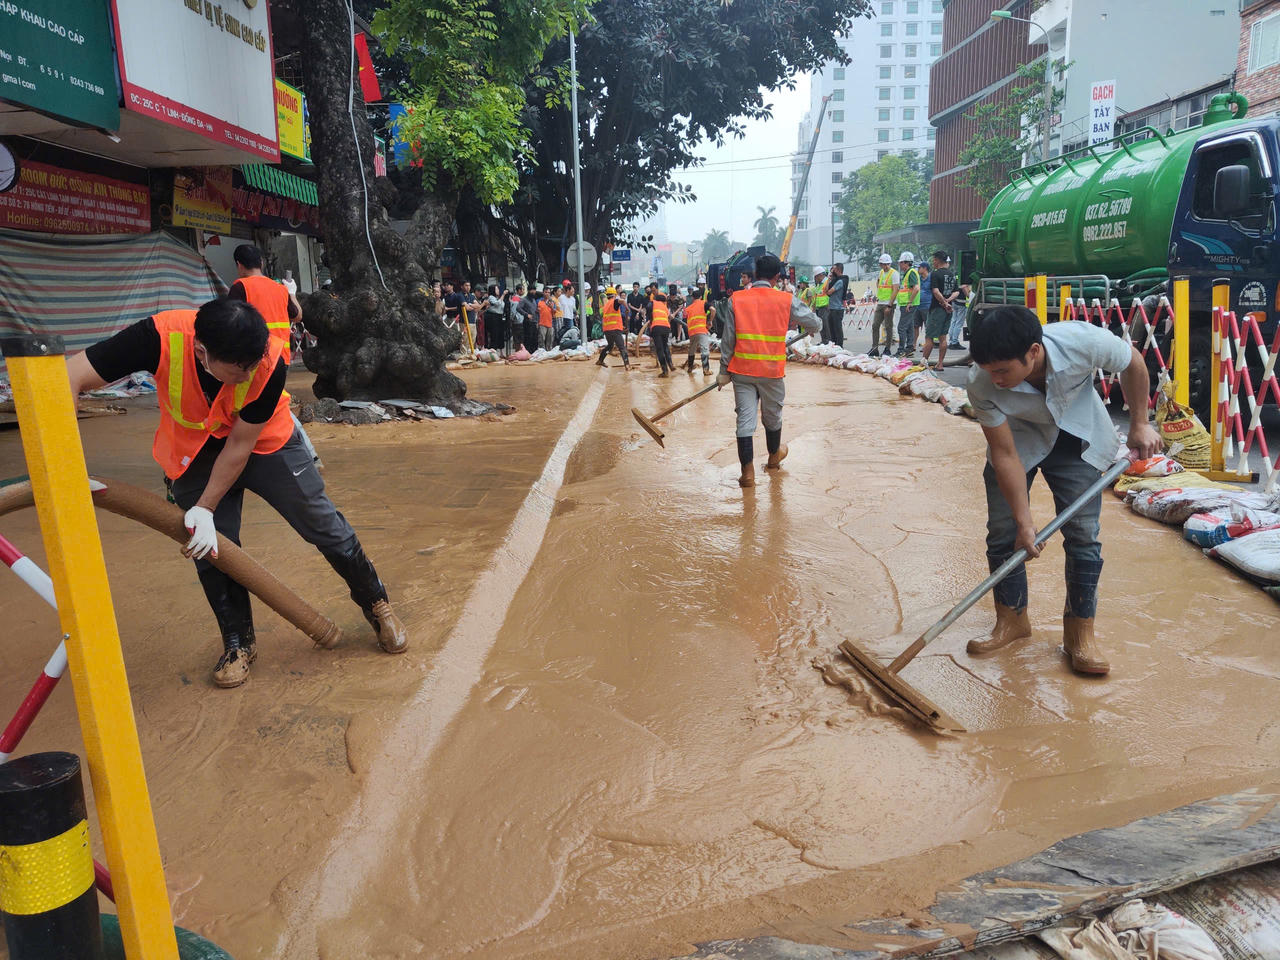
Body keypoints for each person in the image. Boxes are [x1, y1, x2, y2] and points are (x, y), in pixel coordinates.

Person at [65, 298, 409, 687]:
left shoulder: (269, 360)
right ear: (202, 352)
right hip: (195, 449)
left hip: (265, 442)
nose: (249, 374)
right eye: (239, 369)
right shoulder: (157, 337)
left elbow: (240, 446)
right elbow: (69, 376)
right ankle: (238, 643)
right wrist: (67, 464)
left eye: (253, 364)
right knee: (211, 546)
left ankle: (377, 605)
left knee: (322, 522)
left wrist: (205, 506)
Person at [967, 306, 1161, 676]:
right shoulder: (981, 381)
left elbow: (1133, 362)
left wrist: (1140, 423)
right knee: (1004, 532)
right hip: (1018, 441)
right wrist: (1025, 523)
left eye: (1003, 370)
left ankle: (1079, 634)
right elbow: (1005, 454)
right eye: (989, 371)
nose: (995, 379)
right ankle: (1012, 620)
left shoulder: (1082, 342)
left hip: (1076, 436)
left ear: (1033, 352)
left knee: (1083, 534)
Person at [716, 254, 821, 488]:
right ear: (776, 277)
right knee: (772, 418)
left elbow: (728, 339)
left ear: (754, 274)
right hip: (771, 372)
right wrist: (809, 327)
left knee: (745, 421)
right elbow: (815, 323)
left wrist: (724, 370)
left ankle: (747, 474)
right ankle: (774, 458)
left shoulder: (737, 300)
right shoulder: (786, 299)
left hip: (742, 371)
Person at [227, 244, 323, 470]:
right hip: (281, 358)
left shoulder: (240, 287)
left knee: (272, 405)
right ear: (261, 263)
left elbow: (229, 321)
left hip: (256, 358)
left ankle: (308, 454)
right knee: (268, 403)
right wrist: (291, 292)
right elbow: (297, 315)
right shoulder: (279, 288)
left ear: (239, 265)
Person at [922, 250, 958, 371]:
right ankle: (940, 364)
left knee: (929, 337)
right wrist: (948, 301)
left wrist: (943, 303)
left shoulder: (935, 274)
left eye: (934, 259)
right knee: (943, 338)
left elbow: (935, 291)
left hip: (937, 309)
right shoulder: (952, 274)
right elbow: (956, 292)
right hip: (948, 310)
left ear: (938, 260)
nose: (933, 262)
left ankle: (923, 363)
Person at [681, 286, 716, 375]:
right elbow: (713, 310)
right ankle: (706, 370)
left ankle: (690, 368)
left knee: (691, 350)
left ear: (693, 298)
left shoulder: (688, 308)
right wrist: (710, 321)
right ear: (700, 297)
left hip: (692, 332)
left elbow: (684, 317)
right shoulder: (703, 303)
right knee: (704, 349)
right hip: (701, 330)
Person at [869, 253, 899, 357]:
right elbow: (879, 283)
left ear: (890, 263)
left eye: (887, 264)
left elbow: (895, 289)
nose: (885, 266)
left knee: (888, 326)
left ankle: (887, 348)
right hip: (881, 302)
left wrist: (890, 305)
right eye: (883, 264)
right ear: (880, 264)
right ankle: (874, 348)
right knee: (875, 325)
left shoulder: (894, 273)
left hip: (889, 304)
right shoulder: (881, 272)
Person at [595, 286, 631, 369]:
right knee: (622, 347)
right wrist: (627, 308)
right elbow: (622, 301)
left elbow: (611, 317)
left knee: (610, 346)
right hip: (614, 329)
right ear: (614, 295)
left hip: (607, 330)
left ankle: (600, 360)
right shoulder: (614, 301)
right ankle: (627, 365)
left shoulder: (606, 305)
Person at [894, 253, 919, 357]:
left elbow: (916, 288)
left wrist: (909, 302)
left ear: (906, 263)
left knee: (901, 327)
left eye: (901, 263)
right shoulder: (908, 273)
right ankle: (909, 348)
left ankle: (901, 350)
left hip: (909, 304)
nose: (899, 265)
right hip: (907, 304)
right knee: (909, 327)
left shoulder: (911, 273)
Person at [822, 263, 849, 348]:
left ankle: (840, 346)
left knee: (837, 329)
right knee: (832, 329)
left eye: (833, 269)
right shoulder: (834, 281)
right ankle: (834, 345)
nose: (832, 271)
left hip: (837, 309)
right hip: (832, 308)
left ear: (838, 270)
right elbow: (825, 290)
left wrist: (829, 281)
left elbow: (829, 292)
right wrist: (828, 280)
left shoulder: (840, 282)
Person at [648, 291, 674, 376]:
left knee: (659, 349)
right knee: (665, 346)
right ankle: (670, 364)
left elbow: (648, 308)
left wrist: (650, 320)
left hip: (657, 327)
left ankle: (665, 371)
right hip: (666, 328)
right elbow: (669, 317)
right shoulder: (665, 307)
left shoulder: (653, 303)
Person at [485, 284, 505, 353]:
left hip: (500, 316)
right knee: (494, 333)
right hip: (493, 317)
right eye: (497, 289)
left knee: (500, 334)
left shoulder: (498, 298)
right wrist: (503, 295)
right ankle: (493, 349)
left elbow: (502, 306)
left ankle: (499, 350)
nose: (498, 290)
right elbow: (497, 304)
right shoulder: (491, 297)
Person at [810, 270, 830, 341]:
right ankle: (823, 340)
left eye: (816, 277)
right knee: (821, 325)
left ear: (820, 275)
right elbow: (816, 296)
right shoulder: (819, 285)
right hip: (819, 308)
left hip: (825, 307)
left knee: (825, 325)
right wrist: (814, 307)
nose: (815, 279)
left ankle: (828, 341)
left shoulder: (827, 282)